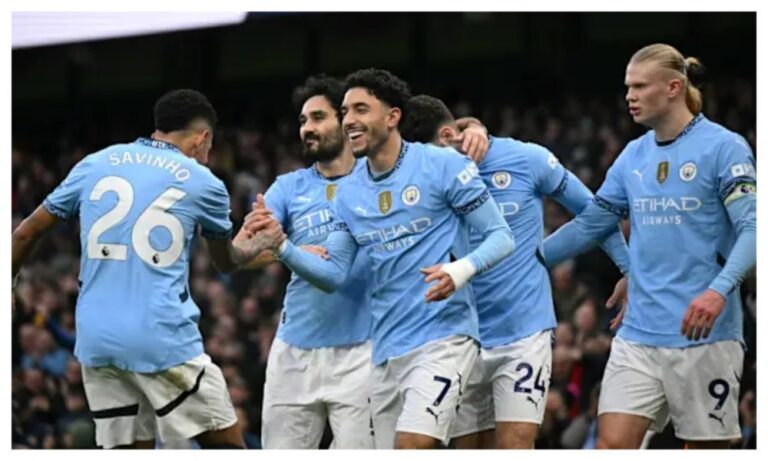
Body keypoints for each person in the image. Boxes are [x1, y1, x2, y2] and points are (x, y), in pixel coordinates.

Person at [247, 68, 515, 449]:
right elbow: (333, 273)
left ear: (393, 117)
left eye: (361, 109)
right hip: (386, 350)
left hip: (444, 336)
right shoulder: (348, 193)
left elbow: (501, 236)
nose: (350, 120)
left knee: (412, 445)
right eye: (345, 112)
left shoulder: (441, 165)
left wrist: (460, 270)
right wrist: (282, 248)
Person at [11, 89, 285, 449]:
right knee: (229, 447)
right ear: (202, 138)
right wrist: (260, 244)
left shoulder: (95, 163)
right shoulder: (205, 182)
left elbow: (25, 232)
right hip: (160, 338)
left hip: (96, 339)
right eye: (210, 145)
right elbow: (226, 261)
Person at [540, 43, 756, 448]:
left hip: (703, 334)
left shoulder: (724, 147)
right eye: (628, 87)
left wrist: (718, 291)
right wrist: (531, 259)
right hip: (638, 334)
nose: (629, 96)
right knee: (611, 445)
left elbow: (754, 229)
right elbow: (591, 224)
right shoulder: (633, 155)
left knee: (705, 450)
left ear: (674, 88)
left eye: (640, 86)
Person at [400, 94, 629, 449]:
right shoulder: (424, 181)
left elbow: (597, 212)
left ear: (446, 137)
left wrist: (620, 268)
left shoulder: (526, 158)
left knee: (516, 445)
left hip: (523, 330)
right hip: (462, 336)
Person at [247, 75, 375, 449]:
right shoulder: (289, 186)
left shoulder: (379, 180)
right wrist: (288, 249)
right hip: (294, 349)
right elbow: (247, 249)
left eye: (318, 117)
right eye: (303, 121)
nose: (307, 128)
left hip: (363, 349)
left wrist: (475, 130)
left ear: (345, 120)